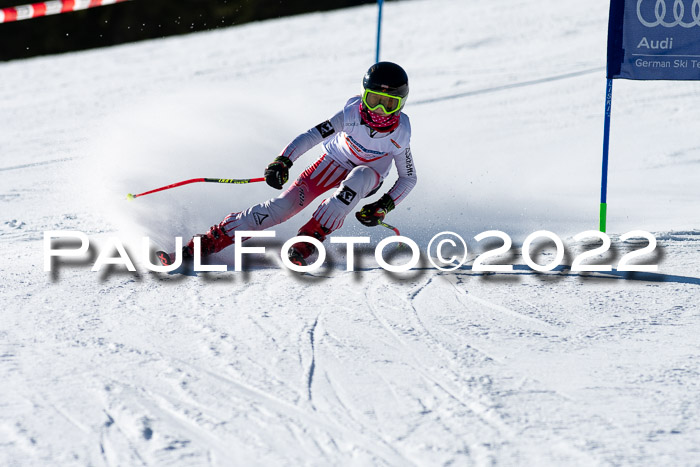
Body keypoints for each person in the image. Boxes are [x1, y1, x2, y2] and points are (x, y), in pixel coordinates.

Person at [160, 61, 417, 267]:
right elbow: (313, 135)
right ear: (363, 96)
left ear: (401, 104)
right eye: (374, 100)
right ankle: (210, 241)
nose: (379, 111)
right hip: (334, 162)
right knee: (281, 207)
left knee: (358, 178)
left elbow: (408, 177)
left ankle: (308, 241)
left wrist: (383, 205)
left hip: (368, 175)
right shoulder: (350, 114)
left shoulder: (401, 134)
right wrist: (283, 161)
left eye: (389, 104)